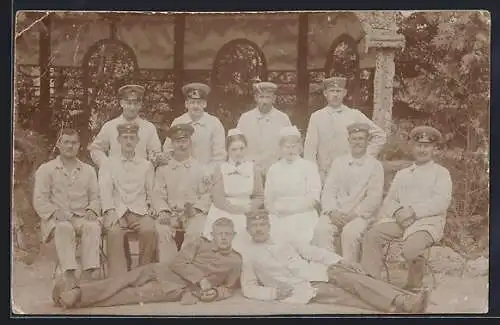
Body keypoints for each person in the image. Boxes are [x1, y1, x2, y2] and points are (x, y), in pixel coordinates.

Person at [240, 210, 430, 313]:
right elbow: (248, 288)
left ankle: (405, 301)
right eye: (254, 226)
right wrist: (274, 292)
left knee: (356, 279)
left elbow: (312, 252)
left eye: (262, 224)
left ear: (268, 225)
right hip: (302, 287)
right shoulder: (248, 255)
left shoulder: (284, 237)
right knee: (350, 298)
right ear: (248, 230)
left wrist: (341, 260)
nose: (259, 229)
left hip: (319, 272)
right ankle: (400, 304)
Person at [52, 217, 242, 309]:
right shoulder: (200, 243)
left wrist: (215, 293)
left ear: (233, 236)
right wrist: (201, 279)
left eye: (227, 234)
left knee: (130, 295)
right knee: (120, 281)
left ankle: (76, 297)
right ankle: (75, 292)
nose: (223, 238)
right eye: (220, 234)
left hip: (176, 288)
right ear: (213, 235)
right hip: (160, 270)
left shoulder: (235, 261)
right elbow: (178, 262)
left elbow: (229, 288)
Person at [361, 126, 452, 292]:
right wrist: (397, 212)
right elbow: (390, 199)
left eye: (427, 146)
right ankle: (371, 284)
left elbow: (441, 202)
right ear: (412, 147)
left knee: (412, 249)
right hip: (401, 221)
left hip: (427, 223)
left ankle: (414, 286)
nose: (422, 149)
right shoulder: (403, 173)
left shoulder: (441, 173)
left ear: (434, 149)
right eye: (419, 145)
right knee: (372, 235)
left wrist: (412, 211)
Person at [33, 128, 101, 289]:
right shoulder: (46, 169)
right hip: (57, 218)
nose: (70, 146)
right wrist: (55, 212)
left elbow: (96, 197)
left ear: (79, 146)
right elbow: (39, 199)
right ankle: (68, 273)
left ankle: (88, 273)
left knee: (92, 226)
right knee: (64, 228)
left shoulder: (88, 170)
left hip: (82, 217)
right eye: (66, 142)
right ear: (58, 145)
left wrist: (92, 209)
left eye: (74, 143)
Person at [312, 122, 384, 263]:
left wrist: (355, 214)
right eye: (354, 139)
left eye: (361, 139)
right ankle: (330, 268)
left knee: (350, 233)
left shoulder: (375, 165)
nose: (357, 142)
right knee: (321, 229)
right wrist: (332, 211)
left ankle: (349, 272)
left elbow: (374, 197)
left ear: (367, 141)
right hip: (337, 212)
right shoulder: (339, 162)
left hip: (360, 215)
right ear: (349, 140)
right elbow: (329, 190)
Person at [98, 122, 158, 277]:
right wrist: (109, 211)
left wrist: (152, 206)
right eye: (125, 137)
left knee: (149, 229)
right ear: (118, 140)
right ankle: (119, 277)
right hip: (116, 210)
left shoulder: (146, 165)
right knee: (114, 232)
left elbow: (151, 190)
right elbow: (105, 190)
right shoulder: (108, 163)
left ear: (138, 140)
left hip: (138, 209)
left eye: (132, 138)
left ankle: (143, 273)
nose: (129, 141)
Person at [303, 77, 386, 182]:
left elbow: (380, 135)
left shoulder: (354, 115)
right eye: (332, 91)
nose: (335, 95)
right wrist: (313, 176)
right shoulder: (317, 117)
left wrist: (364, 157)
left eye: (338, 91)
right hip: (325, 175)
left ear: (344, 93)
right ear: (325, 93)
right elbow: (309, 150)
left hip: (350, 172)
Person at [153, 123, 212, 263]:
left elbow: (208, 193)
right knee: (163, 230)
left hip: (192, 214)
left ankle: (184, 267)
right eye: (178, 142)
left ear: (190, 143)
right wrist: (163, 211)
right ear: (172, 144)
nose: (181, 145)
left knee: (196, 231)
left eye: (184, 141)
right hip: (171, 213)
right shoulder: (163, 169)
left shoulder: (200, 168)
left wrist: (196, 208)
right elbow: (158, 194)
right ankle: (168, 271)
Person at [202, 128, 265, 253]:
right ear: (227, 150)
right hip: (224, 209)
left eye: (241, 148)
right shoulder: (221, 168)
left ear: (246, 148)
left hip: (247, 209)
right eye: (234, 149)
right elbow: (218, 198)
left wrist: (249, 208)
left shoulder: (253, 168)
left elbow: (259, 196)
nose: (238, 153)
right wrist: (233, 209)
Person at [264, 125, 321, 246]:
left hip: (303, 214)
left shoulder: (309, 167)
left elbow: (314, 197)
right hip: (278, 215)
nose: (290, 150)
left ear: (300, 148)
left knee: (301, 240)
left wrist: (292, 209)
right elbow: (268, 199)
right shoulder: (274, 169)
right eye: (286, 147)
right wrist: (276, 210)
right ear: (280, 148)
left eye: (293, 146)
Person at [88, 84, 164, 169]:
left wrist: (149, 165)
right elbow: (96, 149)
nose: (132, 107)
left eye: (136, 104)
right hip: (115, 176)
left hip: (140, 176)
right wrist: (106, 164)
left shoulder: (149, 128)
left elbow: (155, 152)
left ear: (140, 105)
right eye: (129, 103)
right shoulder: (110, 126)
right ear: (121, 103)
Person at [163, 82, 226, 173]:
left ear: (204, 104)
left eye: (199, 103)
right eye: (192, 102)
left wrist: (208, 172)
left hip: (207, 175)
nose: (195, 106)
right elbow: (168, 150)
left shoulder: (214, 123)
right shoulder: (178, 122)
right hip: (181, 174)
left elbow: (220, 156)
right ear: (186, 104)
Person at [236, 81, 292, 175]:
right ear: (256, 98)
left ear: (274, 99)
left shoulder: (283, 119)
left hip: (276, 172)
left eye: (268, 97)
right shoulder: (245, 119)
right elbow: (236, 146)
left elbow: (290, 147)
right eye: (261, 97)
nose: (264, 101)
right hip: (250, 172)